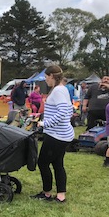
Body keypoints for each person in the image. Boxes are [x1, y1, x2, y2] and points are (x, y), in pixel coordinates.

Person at [30, 65, 74, 203]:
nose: (45, 80)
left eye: (46, 77)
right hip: (62, 134)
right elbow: (69, 110)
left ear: (52, 76)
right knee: (57, 164)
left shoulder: (58, 91)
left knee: (43, 163)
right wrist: (43, 117)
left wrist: (45, 124)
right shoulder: (63, 89)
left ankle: (47, 193)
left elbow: (62, 113)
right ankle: (61, 195)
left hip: (56, 135)